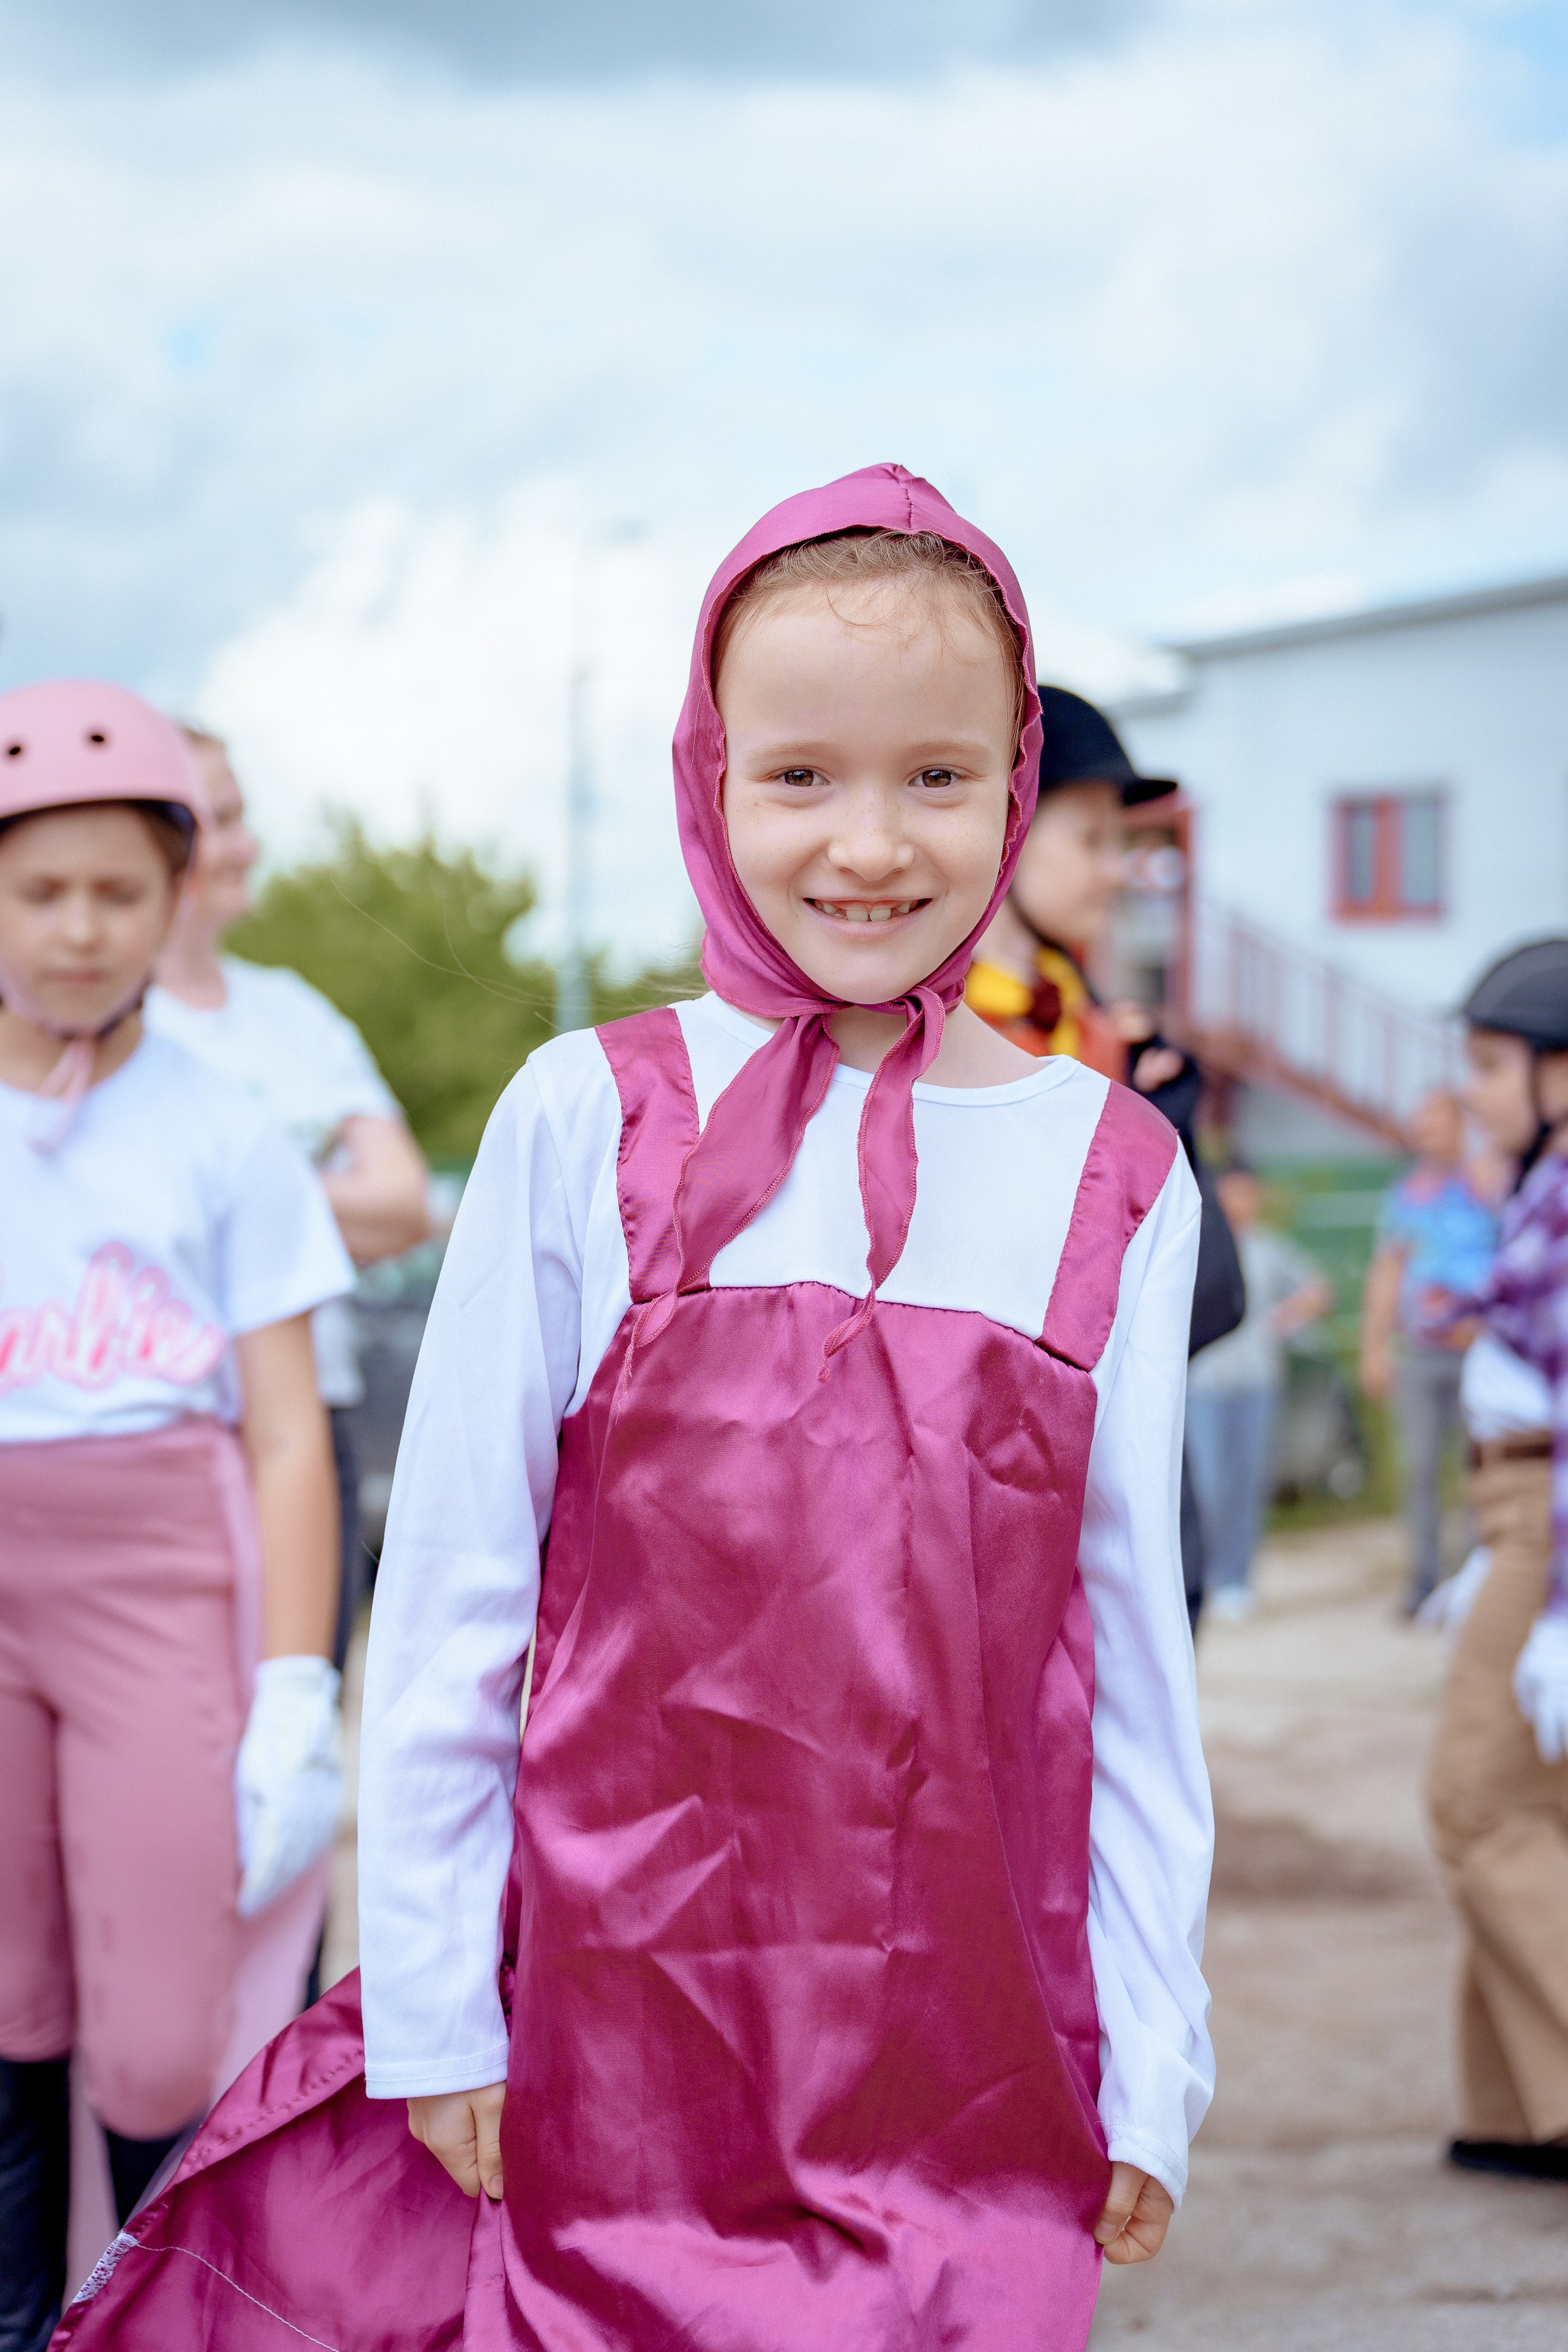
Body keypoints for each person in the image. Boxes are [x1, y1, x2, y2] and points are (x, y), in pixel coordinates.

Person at [58, 467, 1213, 2352]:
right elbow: (449, 1593)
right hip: (616, 2032)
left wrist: (1149, 2053)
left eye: (936, 775)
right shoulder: (585, 1113)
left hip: (972, 2065)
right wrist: (439, 1996)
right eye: (799, 775)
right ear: (710, 771)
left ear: (1013, 782)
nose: (868, 843)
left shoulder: (1114, 1173)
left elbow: (1132, 1664)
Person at [0, 682, 355, 2350]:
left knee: (152, 2032)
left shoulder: (222, 1131)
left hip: (151, 1573)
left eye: (118, 891)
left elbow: (288, 1432)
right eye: (38, 889)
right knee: (7, 2005)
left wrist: (298, 1688)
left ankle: (156, 2320)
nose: (78, 929)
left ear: (177, 895)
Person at [146, 730, 429, 1668]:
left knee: (295, 1705)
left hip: (317, 1407)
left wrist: (220, 1191)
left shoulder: (292, 1013)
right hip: (159, 1421)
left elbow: (400, 1206)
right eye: (218, 819)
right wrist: (306, 1196)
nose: (245, 845)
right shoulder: (89, 1021)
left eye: (241, 816)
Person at [968, 687, 1245, 1629]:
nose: (1118, 870)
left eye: (1122, 843)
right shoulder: (948, 1031)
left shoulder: (1090, 1020)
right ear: (1003, 832)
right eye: (1089, 840)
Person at [1425, 941, 1568, 2183]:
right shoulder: (1542, 1179)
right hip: (1518, 1507)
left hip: (1550, 1516)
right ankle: (1524, 2110)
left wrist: (1552, 1598)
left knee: (1476, 1805)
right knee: (1532, 1806)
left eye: (1487, 1064)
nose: (1467, 1089)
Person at [1360, 1090, 1499, 1614]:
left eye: (1439, 1121)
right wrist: (1374, 1346)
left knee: (1477, 1469)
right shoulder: (1405, 1196)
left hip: (1481, 1349)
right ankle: (1422, 1580)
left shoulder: (1486, 1182)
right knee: (1418, 1468)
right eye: (1422, 1123)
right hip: (1420, 1352)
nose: (1429, 1132)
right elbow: (1387, 1271)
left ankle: (1474, 1579)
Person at [1184, 1164, 1332, 1622]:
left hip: (1257, 1381)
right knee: (1205, 1483)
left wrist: (1281, 1323)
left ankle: (1235, 1580)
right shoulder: (1196, 1243)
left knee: (1246, 1481)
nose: (1238, 1204)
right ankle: (1199, 1576)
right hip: (1204, 1383)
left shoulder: (1269, 1248)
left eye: (1247, 1195)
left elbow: (1318, 1290)